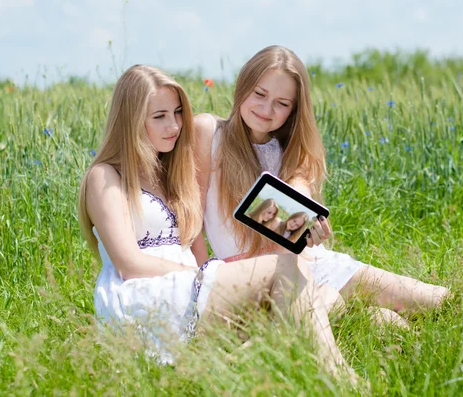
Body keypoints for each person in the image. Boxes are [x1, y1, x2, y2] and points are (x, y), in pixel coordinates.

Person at [78, 64, 358, 379]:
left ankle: (246, 355)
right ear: (129, 122)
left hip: (189, 288)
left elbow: (194, 240)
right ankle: (339, 377)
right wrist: (206, 272)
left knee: (326, 293)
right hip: (144, 294)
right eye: (159, 117)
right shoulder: (104, 176)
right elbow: (129, 263)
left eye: (177, 112)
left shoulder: (171, 172)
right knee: (285, 270)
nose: (174, 126)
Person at [192, 46, 450, 327]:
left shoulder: (291, 147)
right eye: (259, 94)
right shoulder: (208, 132)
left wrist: (309, 223)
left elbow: (299, 189)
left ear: (293, 110)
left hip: (309, 263)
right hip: (248, 278)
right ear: (242, 87)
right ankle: (353, 318)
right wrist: (201, 286)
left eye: (282, 103)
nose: (266, 110)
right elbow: (192, 220)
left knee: (436, 301)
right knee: (384, 320)